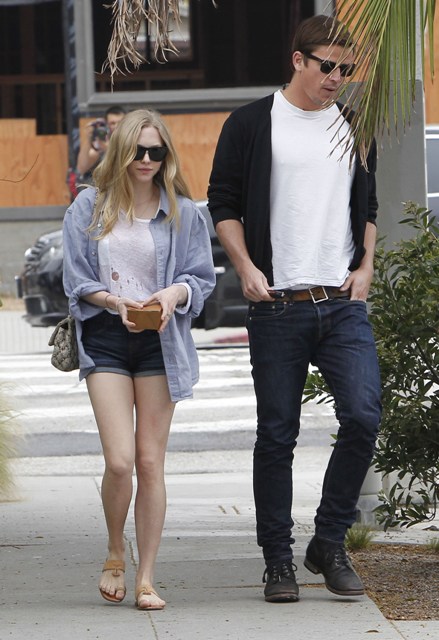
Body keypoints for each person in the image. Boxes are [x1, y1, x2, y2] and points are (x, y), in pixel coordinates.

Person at [207, 14, 381, 604]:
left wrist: (366, 266)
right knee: (277, 434)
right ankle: (277, 560)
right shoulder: (252, 123)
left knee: (363, 416)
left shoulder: (354, 126)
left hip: (341, 301)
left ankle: (328, 541)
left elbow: (368, 205)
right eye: (327, 66)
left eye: (346, 69)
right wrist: (245, 267)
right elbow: (223, 203)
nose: (336, 78)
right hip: (277, 304)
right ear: (298, 60)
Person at [62, 108, 215, 610]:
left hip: (160, 341)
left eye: (156, 151)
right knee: (120, 460)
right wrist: (115, 302)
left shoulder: (184, 212)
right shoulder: (89, 206)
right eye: (138, 151)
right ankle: (114, 551)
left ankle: (146, 577)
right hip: (106, 337)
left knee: (150, 462)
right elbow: (76, 280)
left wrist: (171, 294)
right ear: (121, 151)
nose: (147, 160)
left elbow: (200, 278)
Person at [70, 105, 127, 197]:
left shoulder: (132, 142)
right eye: (112, 123)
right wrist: (89, 138)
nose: (116, 126)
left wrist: (108, 149)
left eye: (120, 123)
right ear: (106, 125)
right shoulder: (100, 144)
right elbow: (81, 168)